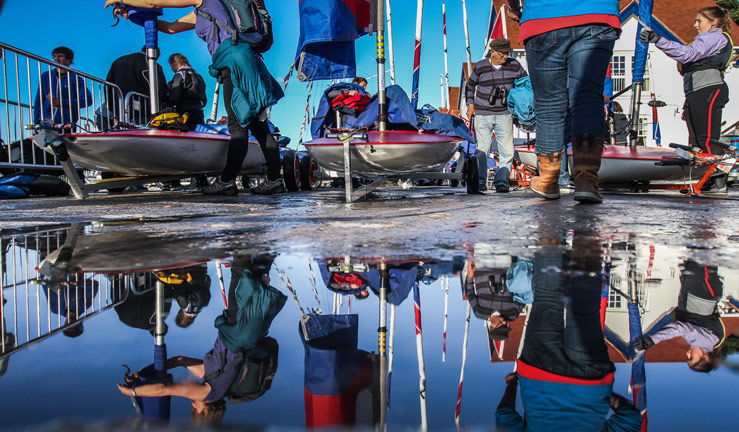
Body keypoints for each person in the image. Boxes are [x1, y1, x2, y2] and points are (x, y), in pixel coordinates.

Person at [105, 1, 284, 196]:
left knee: (237, 126)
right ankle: (274, 179)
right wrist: (130, 15)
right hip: (245, 60)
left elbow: (153, 2)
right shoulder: (204, 10)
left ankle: (227, 181)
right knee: (258, 126)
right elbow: (170, 28)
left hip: (234, 62)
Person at [496, 228, 642, 431]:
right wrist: (512, 385)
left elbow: (632, 421)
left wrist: (605, 397)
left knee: (584, 307)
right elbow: (504, 417)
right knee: (547, 297)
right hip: (540, 377)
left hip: (590, 383)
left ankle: (587, 224)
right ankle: (550, 219)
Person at [115, 254, 286, 425]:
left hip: (244, 333)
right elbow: (163, 389)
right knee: (240, 275)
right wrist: (133, 392)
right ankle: (249, 239)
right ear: (205, 411)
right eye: (195, 409)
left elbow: (179, 360)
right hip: (239, 332)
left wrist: (148, 373)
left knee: (251, 280)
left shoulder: (217, 381)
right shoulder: (209, 394)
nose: (192, 403)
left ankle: (265, 246)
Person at [507, 0, 620, 203]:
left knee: (549, 103)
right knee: (588, 96)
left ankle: (549, 180)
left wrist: (515, 8)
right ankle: (587, 180)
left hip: (543, 17)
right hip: (597, 14)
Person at [641, 6, 732, 193]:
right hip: (697, 90)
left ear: (713, 22)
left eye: (699, 20)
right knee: (696, 142)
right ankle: (702, 179)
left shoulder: (715, 37)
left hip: (709, 89)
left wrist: (658, 40)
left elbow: (687, 54)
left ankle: (718, 181)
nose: (695, 25)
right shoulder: (704, 39)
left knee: (706, 139)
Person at [634, 260, 727, 373]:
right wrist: (652, 340)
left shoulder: (706, 340)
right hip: (700, 289)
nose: (687, 354)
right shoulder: (705, 342)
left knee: (698, 250)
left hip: (700, 289)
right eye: (691, 358)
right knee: (702, 251)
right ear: (705, 356)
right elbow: (680, 328)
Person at [466, 38, 528, 193]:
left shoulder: (514, 65)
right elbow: (470, 86)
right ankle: (479, 182)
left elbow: (526, 84)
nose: (506, 56)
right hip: (482, 113)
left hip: (505, 113)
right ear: (492, 52)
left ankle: (502, 182)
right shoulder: (481, 67)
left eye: (508, 53)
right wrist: (470, 105)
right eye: (502, 53)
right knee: (482, 149)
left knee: (507, 150)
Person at [105, 46, 169, 123]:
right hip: (144, 110)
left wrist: (111, 107)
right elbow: (162, 90)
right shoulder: (154, 66)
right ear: (154, 53)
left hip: (120, 108)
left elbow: (108, 86)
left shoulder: (119, 61)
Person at [32, 47, 92, 126]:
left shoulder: (75, 79)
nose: (56, 59)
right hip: (46, 121)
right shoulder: (46, 76)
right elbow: (39, 100)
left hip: (66, 124)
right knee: (37, 138)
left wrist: (63, 102)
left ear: (69, 60)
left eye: (60, 56)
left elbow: (87, 100)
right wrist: (36, 121)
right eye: (54, 56)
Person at [167, 53, 208, 128]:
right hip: (199, 113)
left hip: (184, 114)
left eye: (171, 66)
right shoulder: (198, 76)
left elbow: (175, 97)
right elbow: (204, 101)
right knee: (198, 136)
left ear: (174, 63)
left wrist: (168, 102)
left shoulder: (179, 75)